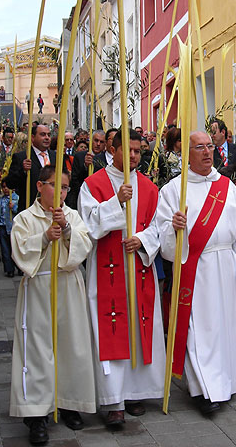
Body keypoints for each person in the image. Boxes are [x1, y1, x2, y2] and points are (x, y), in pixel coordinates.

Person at [156, 131, 236, 414]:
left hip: (224, 263)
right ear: (187, 152)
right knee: (199, 330)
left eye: (210, 146)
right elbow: (162, 237)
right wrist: (174, 227)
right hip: (194, 267)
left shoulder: (227, 186)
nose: (207, 152)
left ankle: (227, 381)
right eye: (200, 147)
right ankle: (204, 390)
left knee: (224, 326)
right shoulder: (174, 190)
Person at [78, 129, 165, 426]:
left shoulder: (150, 188)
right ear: (112, 150)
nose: (132, 156)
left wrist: (142, 240)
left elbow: (159, 227)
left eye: (137, 151)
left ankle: (136, 391)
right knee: (111, 330)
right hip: (106, 270)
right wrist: (116, 201)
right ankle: (113, 399)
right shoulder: (93, 184)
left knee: (139, 331)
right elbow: (88, 226)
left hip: (139, 267)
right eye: (126, 150)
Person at [9, 166, 95, 444]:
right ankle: (36, 414)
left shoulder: (72, 215)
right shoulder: (25, 218)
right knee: (37, 349)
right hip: (40, 286)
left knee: (72, 345)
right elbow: (19, 250)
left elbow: (84, 245)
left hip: (68, 284)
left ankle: (70, 403)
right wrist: (45, 237)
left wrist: (67, 230)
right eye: (54, 186)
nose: (60, 192)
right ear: (39, 186)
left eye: (65, 188)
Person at [5, 124, 56, 212]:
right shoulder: (22, 157)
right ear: (32, 137)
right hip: (30, 208)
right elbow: (10, 183)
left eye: (49, 135)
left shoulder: (56, 156)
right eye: (43, 135)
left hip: (53, 208)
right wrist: (23, 170)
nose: (47, 138)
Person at [67, 130, 107, 209]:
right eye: (96, 140)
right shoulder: (79, 156)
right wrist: (85, 166)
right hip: (80, 199)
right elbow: (74, 179)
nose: (98, 144)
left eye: (101, 142)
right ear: (91, 141)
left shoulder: (106, 159)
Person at [0, 181, 19, 277]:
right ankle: (9, 269)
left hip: (12, 226)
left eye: (7, 187)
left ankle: (19, 267)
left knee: (14, 248)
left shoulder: (16, 198)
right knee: (5, 250)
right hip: (2, 226)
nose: (5, 189)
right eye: (4, 187)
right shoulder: (1, 200)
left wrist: (14, 207)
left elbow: (19, 212)